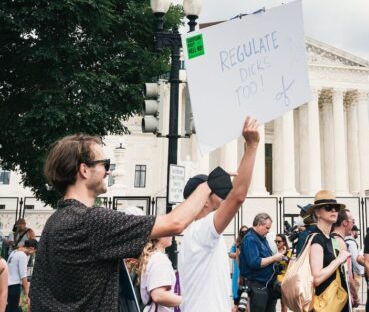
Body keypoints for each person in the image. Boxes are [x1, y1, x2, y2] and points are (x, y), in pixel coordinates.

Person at [29, 133, 213, 312]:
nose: (108, 171)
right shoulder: (92, 220)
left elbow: (37, 294)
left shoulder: (54, 222)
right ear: (84, 170)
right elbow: (175, 223)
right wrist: (207, 186)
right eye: (105, 164)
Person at [178, 117, 260, 312]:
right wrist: (252, 145)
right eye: (215, 190)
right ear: (204, 199)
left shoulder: (198, 234)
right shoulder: (201, 231)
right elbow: (237, 196)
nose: (223, 195)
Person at [308, 190, 351, 312]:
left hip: (335, 302)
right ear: (317, 212)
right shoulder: (317, 238)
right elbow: (317, 278)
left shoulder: (330, 238)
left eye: (336, 208)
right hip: (325, 303)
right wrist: (338, 260)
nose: (333, 210)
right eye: (328, 207)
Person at [239, 213, 284, 312]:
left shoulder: (262, 238)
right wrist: (274, 258)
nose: (268, 231)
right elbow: (255, 262)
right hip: (257, 286)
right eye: (267, 228)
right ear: (259, 224)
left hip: (267, 286)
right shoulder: (250, 239)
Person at [138, 237, 181, 312]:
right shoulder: (159, 259)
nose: (171, 234)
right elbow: (159, 295)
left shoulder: (153, 257)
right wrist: (187, 300)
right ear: (158, 237)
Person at [6, 239, 38, 312]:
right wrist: (27, 293)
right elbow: (23, 276)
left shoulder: (14, 252)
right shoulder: (22, 255)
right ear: (31, 248)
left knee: (10, 308)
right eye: (34, 252)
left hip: (8, 285)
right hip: (14, 286)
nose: (32, 254)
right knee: (13, 309)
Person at [229, 225, 248, 312]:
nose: (244, 233)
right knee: (237, 301)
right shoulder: (237, 244)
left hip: (247, 274)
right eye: (242, 232)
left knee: (246, 302)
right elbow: (230, 254)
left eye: (246, 232)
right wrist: (238, 254)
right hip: (238, 272)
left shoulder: (250, 242)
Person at [345, 225, 364, 304]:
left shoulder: (345, 241)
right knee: (354, 297)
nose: (357, 233)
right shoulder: (351, 243)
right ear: (353, 231)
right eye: (356, 231)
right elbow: (355, 259)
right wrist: (361, 271)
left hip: (350, 272)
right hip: (354, 274)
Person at [275, 234, 292, 312]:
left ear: (284, 242)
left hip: (284, 280)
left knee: (284, 303)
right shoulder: (273, 251)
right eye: (275, 241)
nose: (277, 243)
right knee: (272, 302)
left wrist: (284, 256)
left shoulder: (289, 251)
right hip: (274, 280)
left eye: (279, 241)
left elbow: (291, 263)